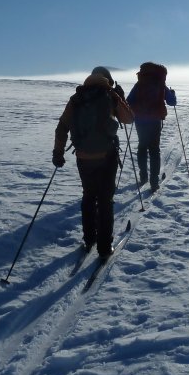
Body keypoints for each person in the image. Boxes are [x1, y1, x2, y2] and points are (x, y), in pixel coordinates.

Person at [52, 66, 133, 260]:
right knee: (105, 201)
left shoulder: (77, 98)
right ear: (108, 79)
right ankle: (104, 248)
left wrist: (58, 152)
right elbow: (129, 119)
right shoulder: (110, 95)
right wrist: (120, 98)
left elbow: (62, 127)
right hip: (107, 156)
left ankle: (89, 239)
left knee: (89, 197)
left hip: (83, 157)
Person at [126, 62, 177, 191]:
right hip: (154, 121)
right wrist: (172, 93)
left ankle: (143, 177)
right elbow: (172, 102)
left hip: (140, 120)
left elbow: (129, 101)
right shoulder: (161, 85)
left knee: (142, 147)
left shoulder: (139, 84)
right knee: (154, 150)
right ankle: (154, 183)